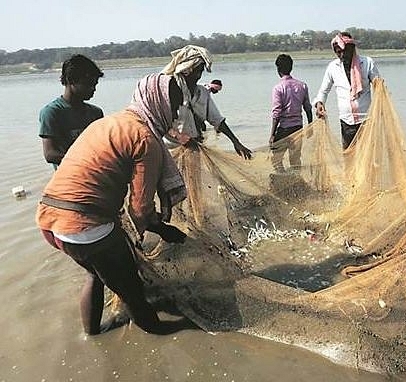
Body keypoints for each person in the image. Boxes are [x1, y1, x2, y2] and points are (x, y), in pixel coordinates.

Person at [36, 73, 191, 335]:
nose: (175, 113)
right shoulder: (144, 138)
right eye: (173, 105)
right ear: (159, 102)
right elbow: (140, 210)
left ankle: (92, 334)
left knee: (96, 273)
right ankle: (161, 331)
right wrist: (164, 230)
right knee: (132, 289)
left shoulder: (109, 122)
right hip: (85, 226)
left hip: (51, 219)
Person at [161, 45, 252, 158]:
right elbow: (158, 123)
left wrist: (235, 141)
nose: (199, 76)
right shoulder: (168, 93)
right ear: (186, 70)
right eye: (197, 71)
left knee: (194, 176)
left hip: (194, 148)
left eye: (201, 71)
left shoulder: (202, 93)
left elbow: (217, 121)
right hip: (170, 151)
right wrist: (180, 137)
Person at [313, 32, 380, 149]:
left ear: (352, 48)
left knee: (368, 155)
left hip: (366, 119)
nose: (343, 55)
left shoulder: (367, 63)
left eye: (345, 51)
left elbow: (378, 86)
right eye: (339, 52)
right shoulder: (333, 67)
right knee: (349, 155)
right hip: (346, 121)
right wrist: (320, 103)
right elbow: (323, 91)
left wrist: (380, 88)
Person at [38, 54, 104, 168]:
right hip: (70, 177)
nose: (93, 89)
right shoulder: (52, 112)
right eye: (88, 84)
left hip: (96, 175)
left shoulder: (96, 113)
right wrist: (85, 162)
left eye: (95, 84)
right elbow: (50, 154)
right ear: (70, 81)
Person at [269, 54, 313, 173]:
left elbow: (276, 113)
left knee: (276, 159)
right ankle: (295, 182)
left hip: (283, 129)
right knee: (295, 160)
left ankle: (284, 180)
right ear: (291, 68)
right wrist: (310, 126)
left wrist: (272, 134)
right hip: (297, 129)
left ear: (278, 69)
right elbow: (308, 108)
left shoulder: (278, 88)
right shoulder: (302, 85)